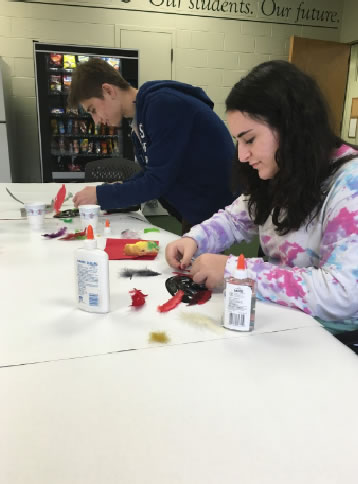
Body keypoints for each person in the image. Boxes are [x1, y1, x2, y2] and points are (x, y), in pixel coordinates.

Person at [165, 60, 358, 346]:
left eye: (250, 140)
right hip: (283, 323)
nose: (242, 155)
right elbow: (234, 219)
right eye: (238, 142)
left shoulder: (349, 183)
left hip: (334, 343)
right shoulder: (281, 171)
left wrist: (234, 271)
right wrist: (195, 239)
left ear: (290, 128)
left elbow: (343, 294)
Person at [69, 58, 236, 234]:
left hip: (210, 205)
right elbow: (152, 169)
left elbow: (156, 181)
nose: (96, 121)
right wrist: (113, 189)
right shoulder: (140, 117)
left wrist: (101, 195)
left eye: (93, 110)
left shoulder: (162, 106)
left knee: (197, 260)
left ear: (108, 90)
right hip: (197, 203)